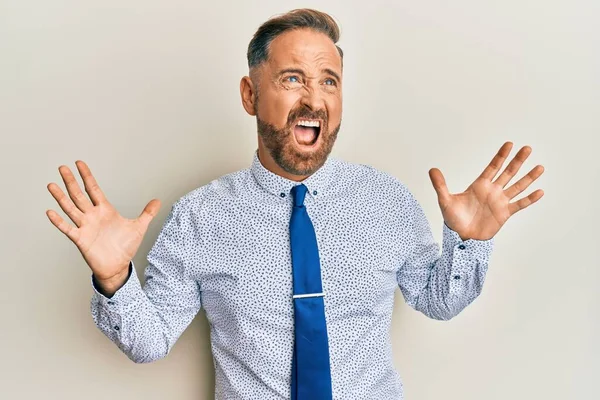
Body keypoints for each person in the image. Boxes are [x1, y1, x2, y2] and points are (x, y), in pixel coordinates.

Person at [45, 8, 545, 400]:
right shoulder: (201, 216)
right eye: (292, 78)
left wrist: (470, 243)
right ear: (250, 94)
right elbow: (148, 343)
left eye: (329, 80)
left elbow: (438, 301)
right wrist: (114, 280)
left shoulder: (387, 201)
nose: (314, 98)